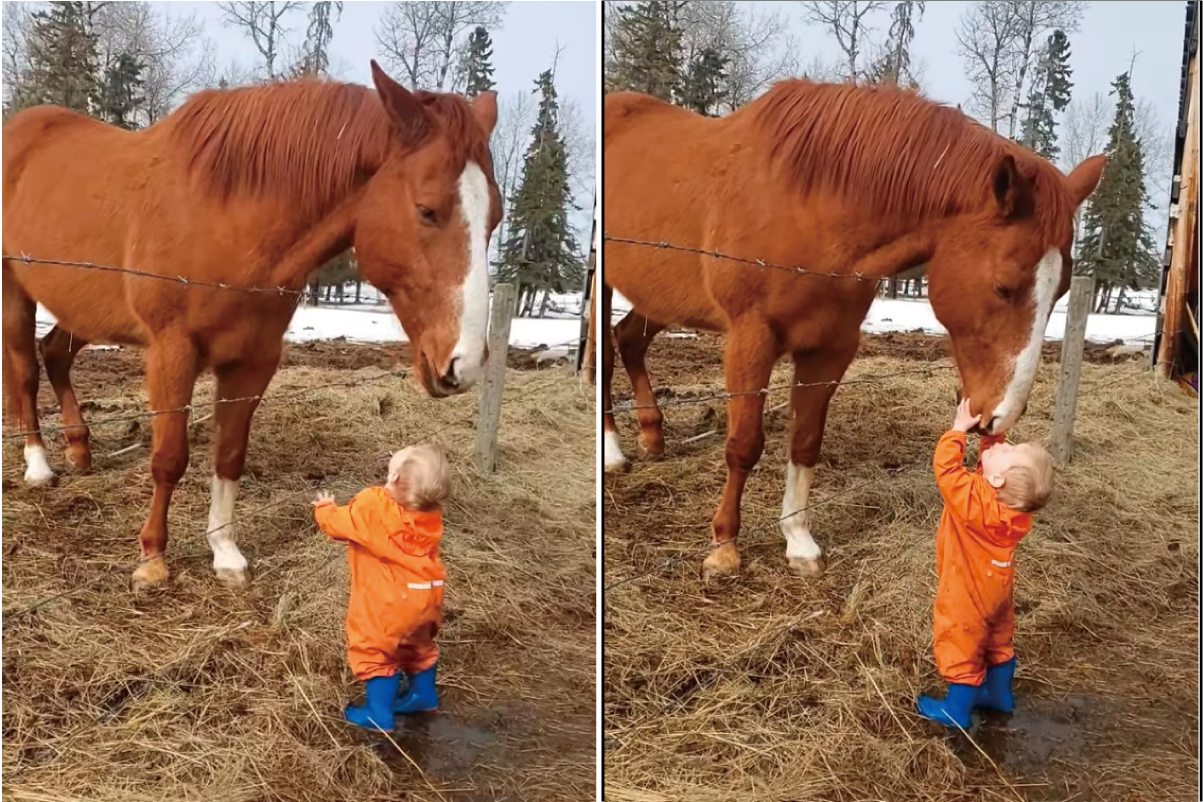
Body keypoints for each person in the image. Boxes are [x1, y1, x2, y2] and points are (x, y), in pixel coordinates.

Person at [917, 398, 1055, 729]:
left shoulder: (972, 506)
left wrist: (957, 431)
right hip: (997, 592)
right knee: (997, 639)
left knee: (960, 639)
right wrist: (994, 435)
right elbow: (988, 472)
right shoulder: (1009, 511)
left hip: (966, 594)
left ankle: (957, 710)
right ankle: (998, 695)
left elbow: (947, 472)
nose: (1003, 447)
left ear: (996, 482)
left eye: (1008, 451)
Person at [313, 444, 452, 733]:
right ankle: (423, 696)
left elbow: (338, 525)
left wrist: (324, 509)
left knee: (375, 649)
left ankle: (379, 714)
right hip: (428, 596)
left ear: (392, 478)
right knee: (419, 646)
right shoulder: (431, 513)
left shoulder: (373, 506)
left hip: (388, 604)